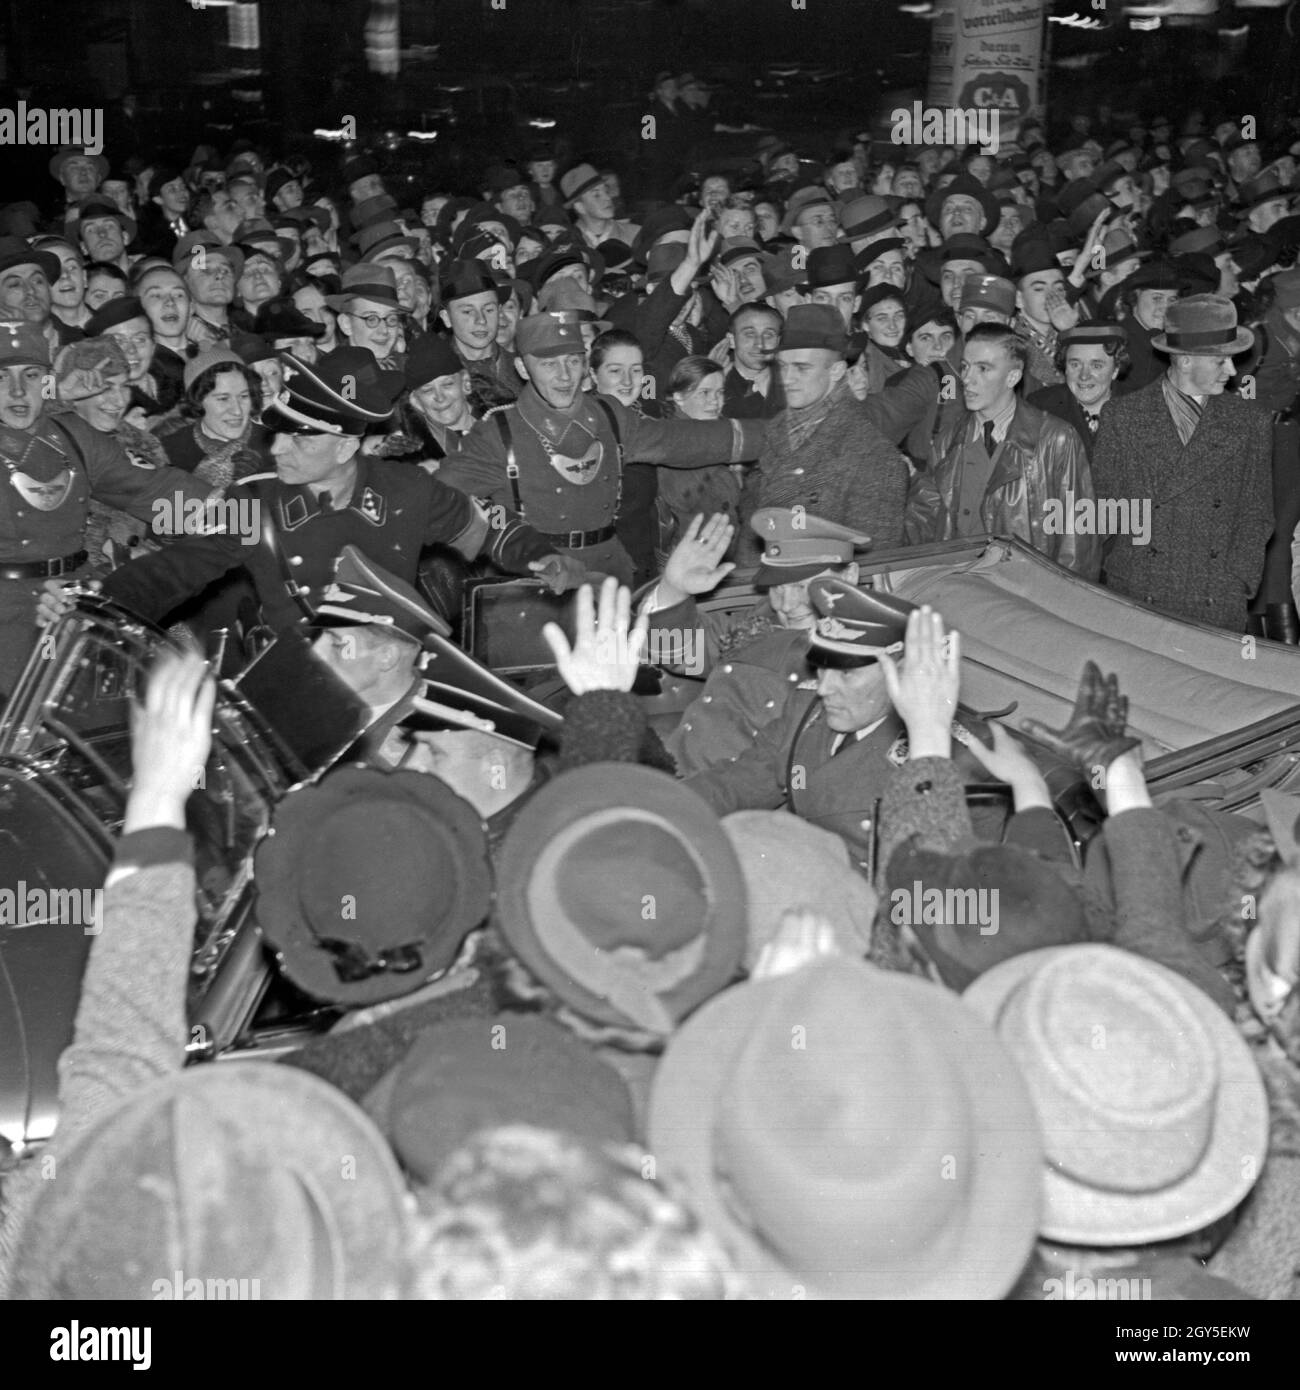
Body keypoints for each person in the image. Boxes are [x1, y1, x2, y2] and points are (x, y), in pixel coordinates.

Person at [45, 351, 585, 647]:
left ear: (348, 445)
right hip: (297, 680)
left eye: (300, 437)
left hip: (392, 669)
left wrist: (540, 554)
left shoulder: (407, 490)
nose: (277, 447)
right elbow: (173, 571)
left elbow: (487, 529)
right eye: (277, 432)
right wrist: (94, 603)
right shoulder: (252, 503)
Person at [436, 315, 764, 588]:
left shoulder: (608, 415)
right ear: (522, 367)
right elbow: (437, 503)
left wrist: (774, 433)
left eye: (574, 361)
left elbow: (680, 441)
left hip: (610, 576)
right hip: (534, 583)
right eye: (549, 363)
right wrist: (501, 542)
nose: (565, 376)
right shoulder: (498, 432)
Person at [0, 320, 216, 693]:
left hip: (76, 594)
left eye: (31, 374)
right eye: (1, 376)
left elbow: (149, 488)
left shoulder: (72, 436)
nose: (17, 390)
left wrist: (239, 514)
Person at [1091, 295, 1272, 632]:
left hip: (1215, 597)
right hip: (1138, 593)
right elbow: (1106, 507)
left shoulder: (1251, 422)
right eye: (1222, 362)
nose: (1232, 371)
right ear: (1186, 360)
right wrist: (1120, 571)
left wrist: (1238, 581)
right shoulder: (1123, 416)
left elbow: (1257, 514)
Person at [904, 323, 1100, 578]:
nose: (967, 379)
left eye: (983, 369)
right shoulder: (948, 440)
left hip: (1027, 594)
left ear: (1012, 377)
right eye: (965, 367)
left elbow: (1077, 542)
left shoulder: (1055, 439)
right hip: (958, 590)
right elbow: (922, 525)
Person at [744, 304, 909, 556]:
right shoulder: (776, 432)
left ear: (837, 371)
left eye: (802, 368)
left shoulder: (874, 456)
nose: (787, 378)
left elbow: (873, 563)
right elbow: (752, 535)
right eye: (783, 366)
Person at [1027, 322, 1130, 464]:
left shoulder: (1139, 411)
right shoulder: (1039, 408)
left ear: (1116, 370)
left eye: (1096, 366)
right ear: (1065, 368)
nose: (1084, 376)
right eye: (1075, 364)